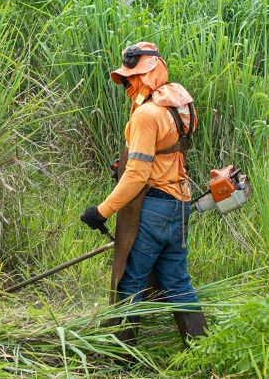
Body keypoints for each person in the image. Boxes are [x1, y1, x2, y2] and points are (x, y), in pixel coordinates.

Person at [79, 42, 207, 343]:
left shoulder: (146, 115)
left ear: (152, 73)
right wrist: (123, 161)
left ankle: (122, 356)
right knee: (177, 281)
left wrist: (101, 211)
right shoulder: (181, 105)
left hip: (152, 207)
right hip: (179, 203)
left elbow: (137, 176)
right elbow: (165, 150)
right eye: (127, 78)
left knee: (130, 280)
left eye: (135, 77)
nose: (129, 83)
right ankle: (203, 347)